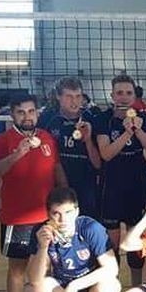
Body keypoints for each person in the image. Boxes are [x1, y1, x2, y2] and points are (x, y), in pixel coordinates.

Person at [0, 93, 67, 292]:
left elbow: (56, 168)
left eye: (31, 111)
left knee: (48, 267)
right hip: (17, 217)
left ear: (37, 113)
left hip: (47, 217)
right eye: (21, 112)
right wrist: (17, 154)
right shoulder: (2, 141)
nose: (27, 116)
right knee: (17, 269)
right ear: (12, 114)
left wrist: (66, 197)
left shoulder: (47, 138)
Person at [22, 187, 121, 292]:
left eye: (68, 213)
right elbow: (33, 278)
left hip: (90, 286)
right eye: (56, 214)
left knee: (110, 286)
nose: (63, 220)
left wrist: (75, 285)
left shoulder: (91, 228)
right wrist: (43, 248)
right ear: (48, 215)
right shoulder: (42, 232)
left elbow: (112, 268)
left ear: (76, 212)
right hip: (61, 286)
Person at [94, 74, 146, 286]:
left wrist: (138, 129)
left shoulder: (142, 118)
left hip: (136, 189)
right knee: (111, 245)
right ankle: (112, 285)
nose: (124, 97)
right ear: (112, 95)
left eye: (128, 93)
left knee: (134, 242)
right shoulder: (103, 119)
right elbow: (106, 154)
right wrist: (128, 133)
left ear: (134, 96)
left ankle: (136, 286)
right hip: (111, 190)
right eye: (119, 93)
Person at [38, 77, 102, 217]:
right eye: (69, 96)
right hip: (54, 182)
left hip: (86, 184)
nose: (74, 101)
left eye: (78, 96)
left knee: (85, 224)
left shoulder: (92, 118)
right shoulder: (47, 119)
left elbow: (98, 164)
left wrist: (88, 140)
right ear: (58, 96)